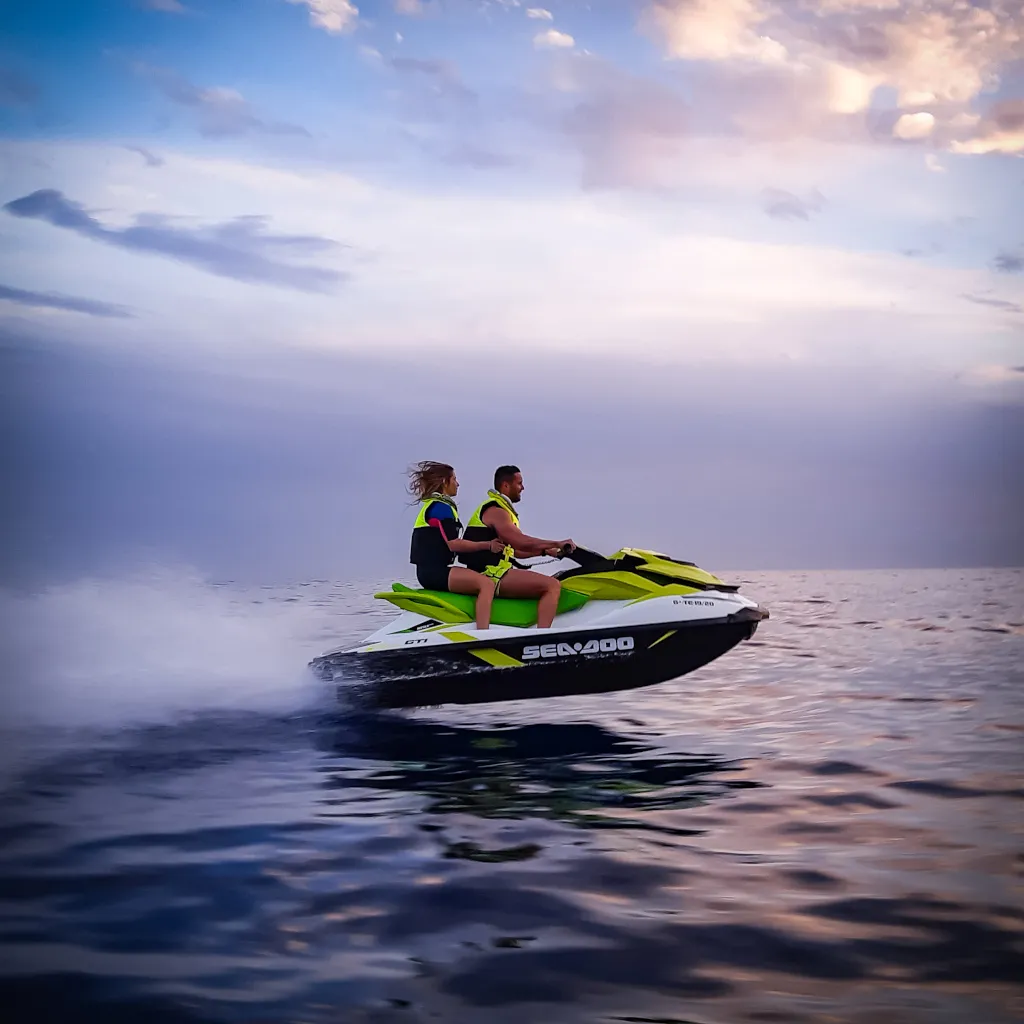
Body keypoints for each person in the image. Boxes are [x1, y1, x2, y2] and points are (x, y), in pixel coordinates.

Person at [460, 465, 575, 629]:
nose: (523, 488)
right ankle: (541, 636)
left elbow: (516, 551)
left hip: (497, 571)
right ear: (506, 485)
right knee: (552, 585)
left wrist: (546, 551)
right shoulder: (496, 511)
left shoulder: (504, 510)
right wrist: (556, 543)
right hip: (489, 573)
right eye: (519, 483)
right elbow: (521, 542)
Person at [407, 461, 507, 630]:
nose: (458, 483)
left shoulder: (435, 505)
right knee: (486, 584)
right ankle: (482, 633)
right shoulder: (441, 508)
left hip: (430, 571)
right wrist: (488, 545)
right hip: (433, 572)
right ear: (444, 482)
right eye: (454, 479)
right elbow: (454, 544)